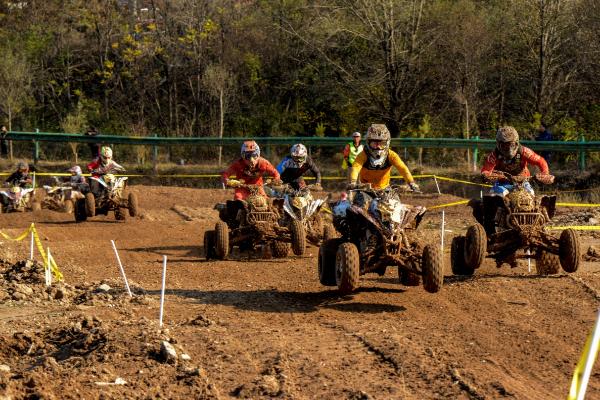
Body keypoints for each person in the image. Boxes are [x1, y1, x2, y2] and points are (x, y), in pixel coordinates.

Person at [481, 126, 554, 197]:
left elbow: (540, 161)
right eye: (505, 146)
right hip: (502, 183)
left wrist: (545, 173)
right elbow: (486, 170)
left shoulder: (524, 151)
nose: (509, 149)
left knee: (530, 195)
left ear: (517, 143)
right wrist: (486, 175)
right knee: (495, 196)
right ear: (498, 144)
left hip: (522, 182)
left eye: (512, 145)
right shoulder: (494, 155)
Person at [349, 124, 419, 193]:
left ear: (387, 143)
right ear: (368, 142)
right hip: (365, 190)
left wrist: (411, 182)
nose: (378, 147)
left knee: (395, 203)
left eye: (382, 143)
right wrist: (353, 181)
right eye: (374, 143)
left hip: (385, 189)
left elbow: (402, 168)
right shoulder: (362, 155)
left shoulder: (391, 155)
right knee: (360, 203)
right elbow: (355, 168)